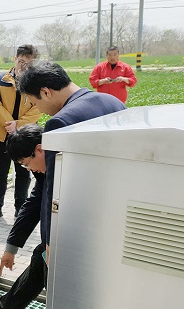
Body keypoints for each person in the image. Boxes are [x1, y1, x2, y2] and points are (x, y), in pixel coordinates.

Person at [18, 60, 125, 262]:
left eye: (35, 102)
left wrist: (50, 240)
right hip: (116, 212)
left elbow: (54, 188)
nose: (39, 110)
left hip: (81, 225)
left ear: (46, 92)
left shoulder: (60, 122)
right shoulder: (113, 102)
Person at [0, 124, 46, 309]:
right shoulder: (44, 168)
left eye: (26, 163)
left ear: (39, 149)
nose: (29, 170)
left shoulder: (67, 165)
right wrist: (11, 248)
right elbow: (33, 204)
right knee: (40, 258)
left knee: (43, 260)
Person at [0, 45, 42, 222]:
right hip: (2, 132)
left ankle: (20, 209)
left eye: (29, 63)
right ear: (15, 58)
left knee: (23, 172)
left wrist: (19, 125)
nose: (24, 66)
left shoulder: (35, 83)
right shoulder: (1, 79)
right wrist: (10, 124)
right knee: (0, 171)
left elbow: (38, 108)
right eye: (21, 61)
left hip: (24, 134)